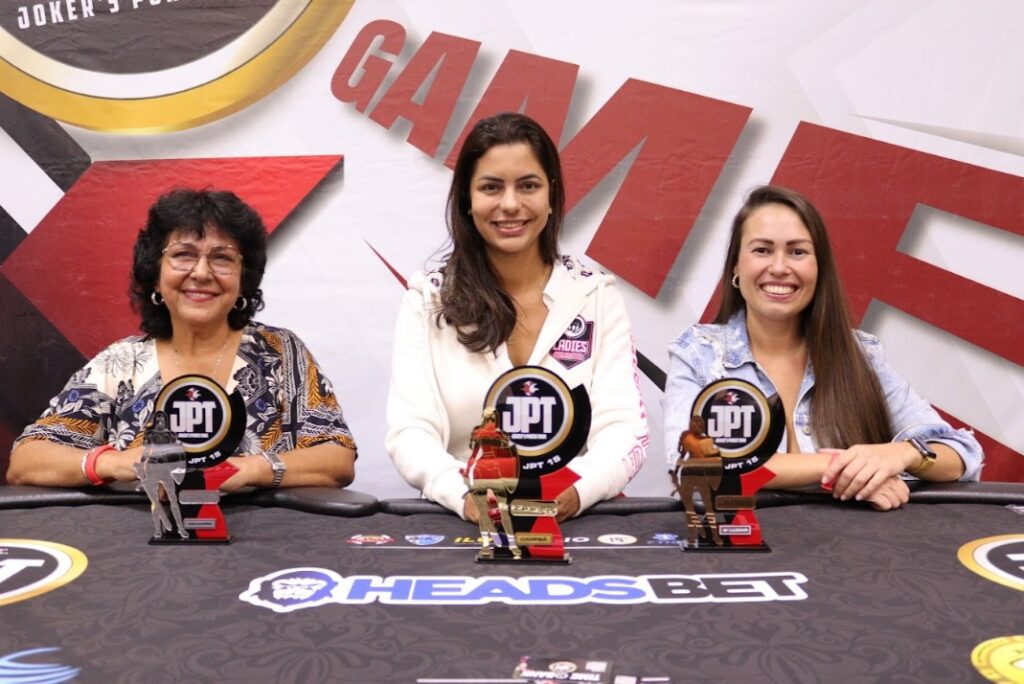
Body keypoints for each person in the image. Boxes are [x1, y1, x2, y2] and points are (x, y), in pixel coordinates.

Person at [385, 112, 648, 521]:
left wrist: (574, 491)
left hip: (576, 519)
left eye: (528, 185)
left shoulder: (595, 295)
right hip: (464, 520)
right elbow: (410, 432)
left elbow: (624, 428)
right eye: (491, 187)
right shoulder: (428, 298)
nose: (510, 204)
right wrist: (467, 497)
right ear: (467, 199)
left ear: (551, 195)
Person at [8, 188, 357, 490]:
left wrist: (245, 471)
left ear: (243, 280)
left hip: (264, 538)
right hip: (138, 537)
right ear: (155, 275)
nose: (201, 273)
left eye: (222, 258)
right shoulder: (121, 363)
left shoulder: (279, 354)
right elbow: (26, 461)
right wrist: (115, 463)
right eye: (183, 255)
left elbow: (336, 459)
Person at [663, 185, 982, 511]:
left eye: (797, 252)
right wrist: (848, 471)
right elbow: (693, 465)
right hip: (740, 542)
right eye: (762, 250)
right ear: (735, 266)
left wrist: (899, 455)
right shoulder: (698, 354)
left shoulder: (861, 355)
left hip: (850, 543)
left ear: (819, 268)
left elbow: (962, 453)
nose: (779, 267)